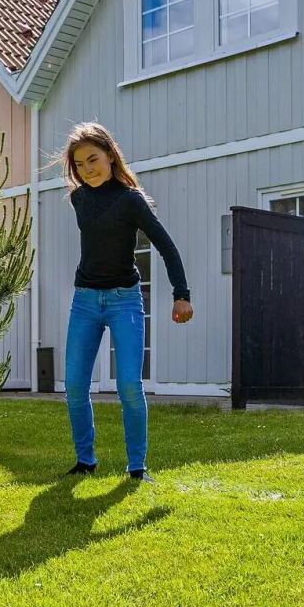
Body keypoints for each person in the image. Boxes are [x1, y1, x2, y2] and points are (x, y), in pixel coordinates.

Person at [59, 123, 192, 483]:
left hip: (124, 301)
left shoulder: (130, 200)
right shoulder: (78, 199)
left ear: (110, 156)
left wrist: (182, 295)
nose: (88, 169)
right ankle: (85, 461)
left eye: (93, 159)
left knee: (130, 386)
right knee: (73, 387)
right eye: (79, 164)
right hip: (84, 302)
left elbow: (166, 245)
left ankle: (137, 468)